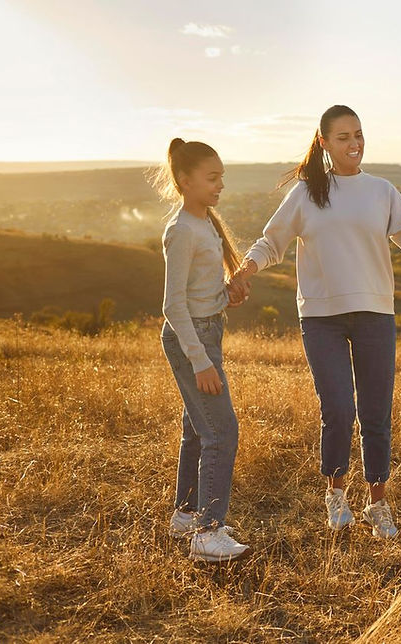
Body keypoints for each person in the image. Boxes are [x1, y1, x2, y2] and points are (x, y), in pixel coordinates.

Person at [227, 105, 401, 539]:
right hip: (321, 316)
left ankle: (377, 503)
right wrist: (244, 271)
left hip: (375, 313)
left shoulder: (382, 190)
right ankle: (336, 494)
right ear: (324, 143)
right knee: (339, 409)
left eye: (360, 134)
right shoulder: (307, 193)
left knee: (376, 411)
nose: (355, 144)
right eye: (344, 137)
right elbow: (271, 242)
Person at [154, 138, 251, 562]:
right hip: (190, 338)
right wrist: (201, 361)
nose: (220, 186)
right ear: (184, 180)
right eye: (212, 179)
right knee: (221, 431)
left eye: (221, 178)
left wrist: (226, 292)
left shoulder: (205, 223)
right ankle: (208, 533)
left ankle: (187, 514)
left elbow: (198, 290)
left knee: (197, 427)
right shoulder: (181, 231)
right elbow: (172, 304)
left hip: (208, 330)